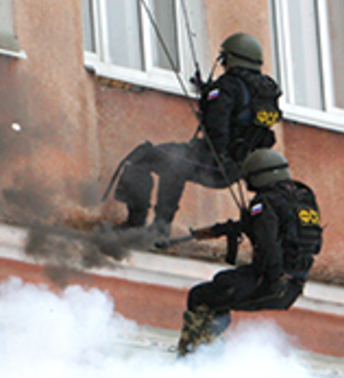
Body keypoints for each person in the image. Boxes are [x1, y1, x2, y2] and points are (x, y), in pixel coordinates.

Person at [111, 32, 282, 238]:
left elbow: (216, 127)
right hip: (239, 167)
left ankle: (142, 225)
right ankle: (159, 227)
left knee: (146, 158)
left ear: (230, 58)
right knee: (174, 161)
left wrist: (209, 102)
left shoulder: (227, 86)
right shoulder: (265, 91)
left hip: (215, 162)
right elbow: (248, 122)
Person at [176, 149, 322, 356]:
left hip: (271, 282)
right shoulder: (301, 199)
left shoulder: (265, 202)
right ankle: (208, 352)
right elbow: (279, 231)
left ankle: (194, 358)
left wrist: (273, 281)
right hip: (294, 286)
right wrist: (220, 230)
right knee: (222, 286)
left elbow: (268, 243)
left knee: (201, 296)